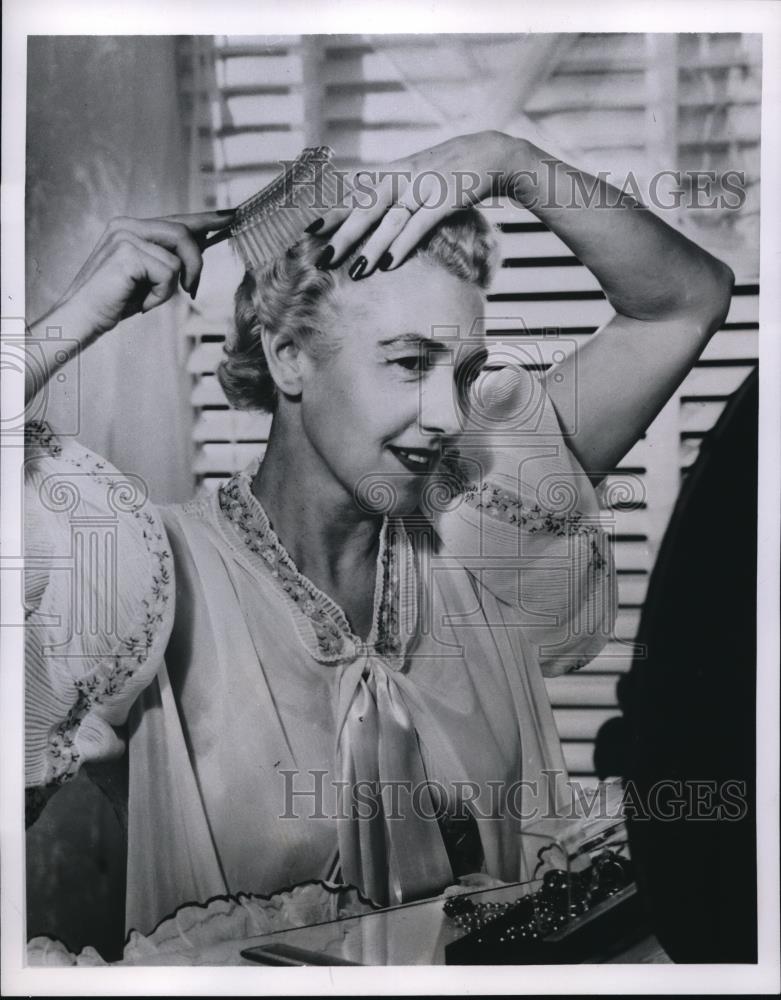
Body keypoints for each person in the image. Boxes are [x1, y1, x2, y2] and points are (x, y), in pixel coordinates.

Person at [23, 131, 734, 944]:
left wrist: (512, 162)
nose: (445, 415)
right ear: (288, 357)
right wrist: (74, 318)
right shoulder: (147, 581)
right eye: (408, 362)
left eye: (463, 373)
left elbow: (687, 298)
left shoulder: (479, 520)